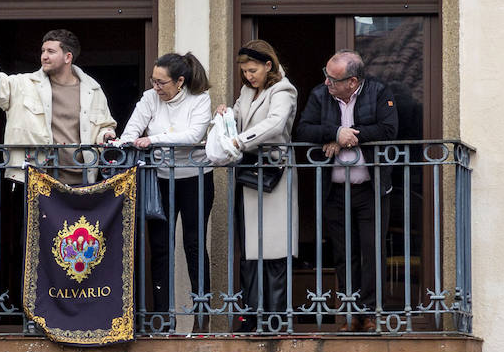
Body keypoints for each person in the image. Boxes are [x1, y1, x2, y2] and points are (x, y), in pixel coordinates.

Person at [293, 49, 399, 332]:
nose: (326, 82)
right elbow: (303, 130)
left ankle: (370, 313)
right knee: (343, 253)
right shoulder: (320, 95)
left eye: (333, 79)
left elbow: (389, 129)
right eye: (326, 76)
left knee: (371, 251)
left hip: (371, 189)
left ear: (352, 82)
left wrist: (348, 136)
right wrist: (333, 133)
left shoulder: (379, 92)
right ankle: (351, 312)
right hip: (335, 191)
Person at [120, 52, 214, 325]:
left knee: (194, 245)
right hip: (160, 179)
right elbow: (131, 131)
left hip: (196, 178)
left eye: (162, 82)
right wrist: (126, 140)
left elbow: (194, 135)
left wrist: (153, 140)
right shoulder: (150, 98)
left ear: (180, 81)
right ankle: (163, 317)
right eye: (153, 80)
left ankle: (201, 316)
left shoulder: (199, 99)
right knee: (160, 246)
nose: (156, 87)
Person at [217, 39, 298, 332]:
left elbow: (275, 124)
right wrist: (226, 114)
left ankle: (275, 319)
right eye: (244, 71)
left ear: (268, 65)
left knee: (274, 249)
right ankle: (251, 316)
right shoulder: (247, 91)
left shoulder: (284, 90)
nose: (248, 76)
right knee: (250, 249)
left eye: (253, 70)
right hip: (250, 172)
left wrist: (240, 140)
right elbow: (239, 117)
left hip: (274, 173)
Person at [0, 29, 117, 183]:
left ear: (68, 57)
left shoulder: (93, 90)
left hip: (82, 180)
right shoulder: (24, 84)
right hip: (37, 180)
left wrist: (106, 135)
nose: (44, 56)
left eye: (51, 51)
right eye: (43, 51)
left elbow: (104, 126)